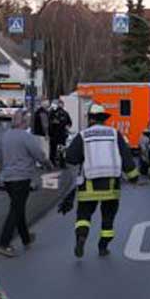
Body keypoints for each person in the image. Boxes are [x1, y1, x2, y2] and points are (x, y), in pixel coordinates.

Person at [62, 103, 140, 257]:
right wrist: (133, 177)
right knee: (108, 218)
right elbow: (126, 157)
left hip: (88, 185)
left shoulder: (83, 135)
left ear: (90, 119)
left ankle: (81, 237)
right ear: (104, 119)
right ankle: (103, 247)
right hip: (111, 186)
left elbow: (71, 158)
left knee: (83, 216)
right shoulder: (114, 134)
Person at [0, 111, 48, 258]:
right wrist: (47, 163)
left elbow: (0, 156)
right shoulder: (26, 137)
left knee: (18, 207)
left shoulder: (5, 136)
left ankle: (26, 238)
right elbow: (39, 154)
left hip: (8, 178)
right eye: (27, 120)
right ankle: (3, 243)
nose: (28, 123)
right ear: (23, 122)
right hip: (22, 177)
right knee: (16, 209)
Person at [48, 100, 72, 167]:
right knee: (53, 149)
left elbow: (69, 122)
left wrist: (67, 126)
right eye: (59, 104)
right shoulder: (52, 112)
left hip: (62, 134)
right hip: (54, 134)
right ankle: (53, 162)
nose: (60, 105)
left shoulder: (65, 113)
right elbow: (49, 122)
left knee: (62, 149)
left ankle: (62, 162)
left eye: (61, 104)